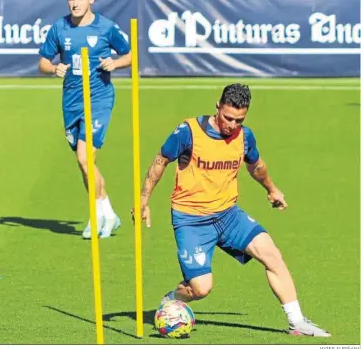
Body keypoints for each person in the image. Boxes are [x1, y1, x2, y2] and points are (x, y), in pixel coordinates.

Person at [134, 84, 331, 337]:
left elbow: (256, 165)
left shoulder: (244, 136)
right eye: (228, 118)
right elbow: (161, 160)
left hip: (228, 215)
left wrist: (271, 189)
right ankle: (171, 300)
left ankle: (297, 322)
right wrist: (143, 198)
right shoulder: (189, 132)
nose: (232, 125)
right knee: (201, 288)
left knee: (271, 254)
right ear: (218, 106)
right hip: (191, 220)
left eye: (239, 120)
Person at [38, 0, 132, 239]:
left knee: (84, 158)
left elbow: (129, 55)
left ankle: (97, 215)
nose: (75, 3)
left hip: (99, 99)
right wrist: (53, 68)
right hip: (71, 102)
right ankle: (108, 213)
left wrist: (115, 62)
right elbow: (43, 62)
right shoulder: (60, 27)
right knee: (85, 165)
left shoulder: (105, 27)